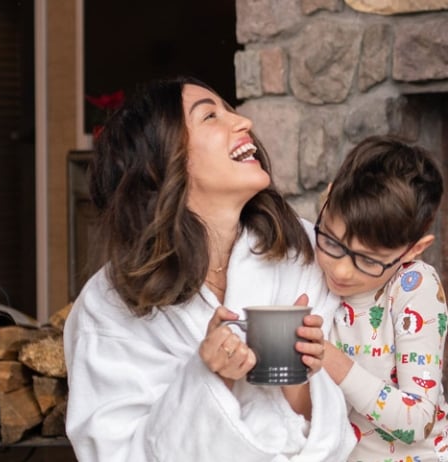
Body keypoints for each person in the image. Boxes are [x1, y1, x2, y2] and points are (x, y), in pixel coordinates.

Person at [64, 76, 355, 461]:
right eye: (210, 116)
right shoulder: (109, 305)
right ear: (162, 164)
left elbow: (349, 412)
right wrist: (210, 376)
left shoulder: (300, 250)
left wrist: (298, 380)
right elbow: (113, 452)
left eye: (230, 109)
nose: (242, 122)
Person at [306, 136, 448, 462]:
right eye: (332, 243)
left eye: (368, 260)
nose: (341, 271)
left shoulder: (413, 287)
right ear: (326, 201)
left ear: (414, 250)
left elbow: (418, 420)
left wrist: (330, 358)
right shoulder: (308, 268)